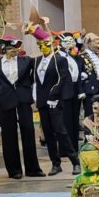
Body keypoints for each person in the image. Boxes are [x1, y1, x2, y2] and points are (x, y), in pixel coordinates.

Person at [0, 38, 45, 180]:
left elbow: (42, 61)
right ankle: (14, 170)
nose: (14, 51)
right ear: (4, 49)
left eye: (16, 49)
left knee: (28, 130)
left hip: (23, 99)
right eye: (11, 49)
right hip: (5, 101)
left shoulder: (26, 61)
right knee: (8, 135)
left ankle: (33, 169)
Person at [33, 31, 80, 175]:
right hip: (42, 102)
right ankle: (55, 163)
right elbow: (36, 81)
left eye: (46, 44)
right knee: (48, 134)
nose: (43, 48)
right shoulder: (36, 60)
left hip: (55, 100)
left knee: (61, 131)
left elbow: (63, 79)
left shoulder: (59, 59)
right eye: (40, 45)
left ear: (52, 44)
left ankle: (75, 161)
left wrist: (53, 95)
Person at [79, 32, 99, 118]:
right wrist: (81, 91)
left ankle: (98, 128)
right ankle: (89, 129)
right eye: (95, 42)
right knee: (90, 110)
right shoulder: (82, 56)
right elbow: (79, 73)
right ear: (88, 43)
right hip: (89, 88)